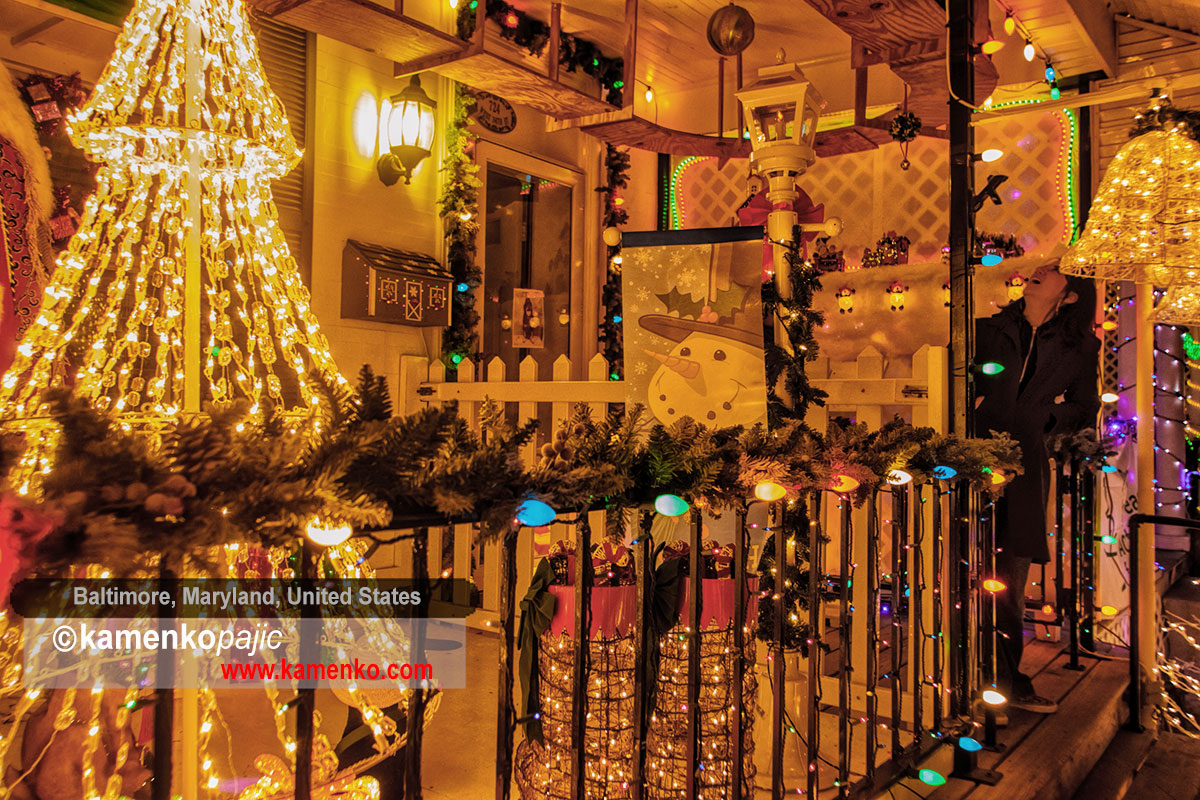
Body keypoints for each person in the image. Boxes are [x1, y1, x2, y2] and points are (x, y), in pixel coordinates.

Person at [974, 257, 1100, 714]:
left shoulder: (1079, 347)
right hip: (974, 462)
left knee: (1008, 582)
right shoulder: (989, 329)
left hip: (1025, 470)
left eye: (1055, 270)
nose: (1041, 270)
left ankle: (1004, 684)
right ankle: (962, 681)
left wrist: (1045, 417)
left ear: (1069, 295)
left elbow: (1085, 407)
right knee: (964, 571)